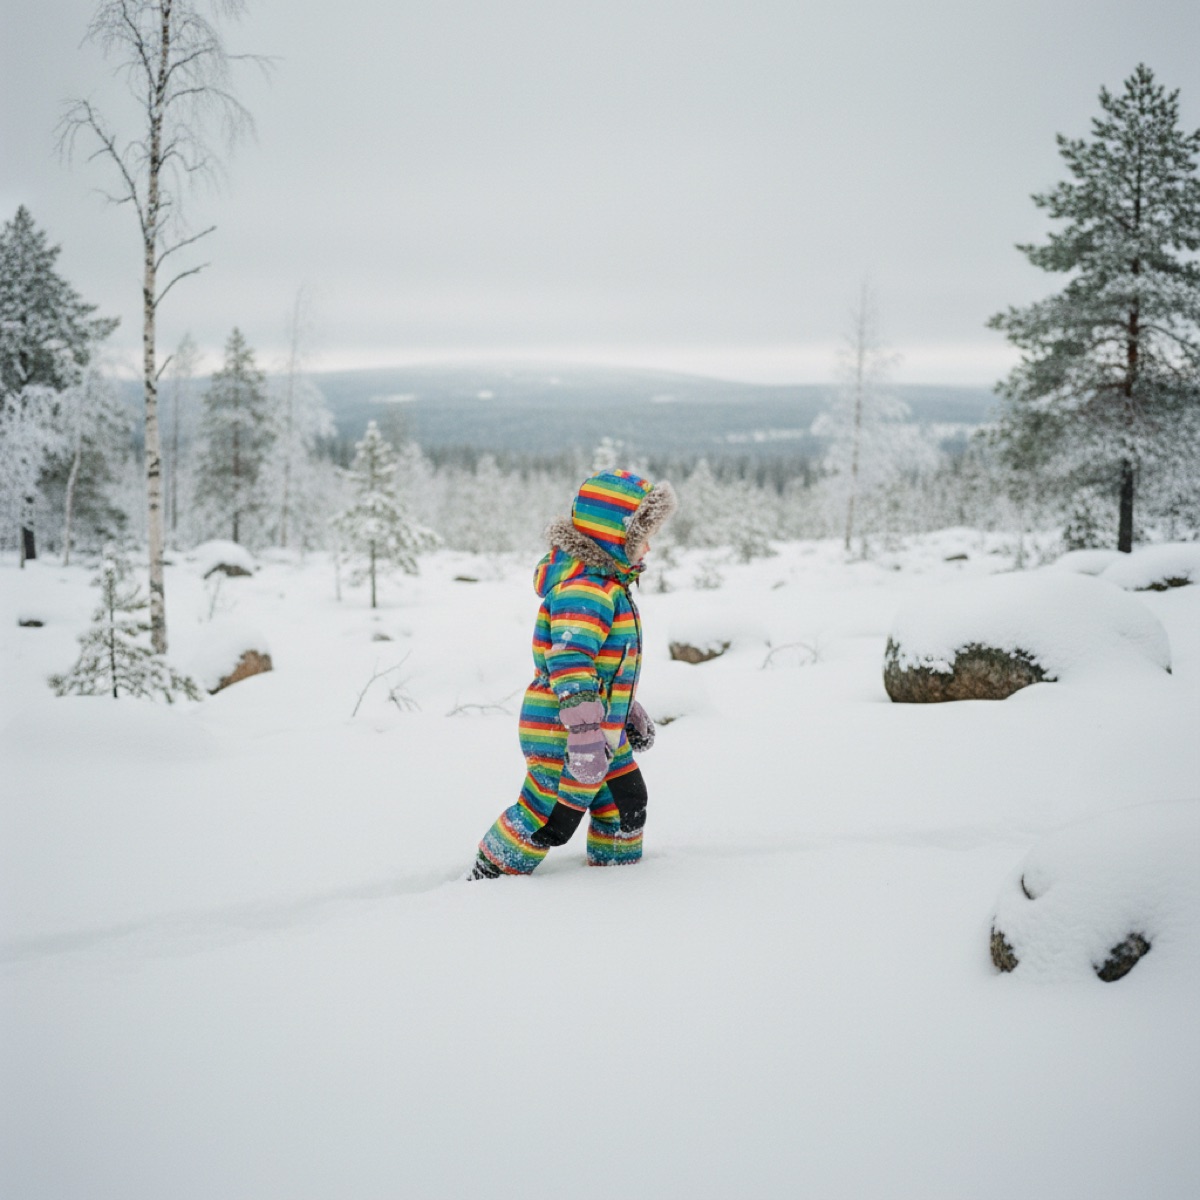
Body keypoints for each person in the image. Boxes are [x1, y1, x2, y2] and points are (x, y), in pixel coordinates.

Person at [470, 469, 677, 878]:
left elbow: (605, 665)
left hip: (600, 726)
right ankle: (490, 874)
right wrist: (584, 735)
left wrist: (626, 710)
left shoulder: (607, 587)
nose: (649, 547)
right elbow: (571, 663)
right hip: (562, 729)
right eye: (641, 537)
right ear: (613, 538)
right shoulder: (584, 590)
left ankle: (614, 878)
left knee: (625, 802)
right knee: (546, 812)